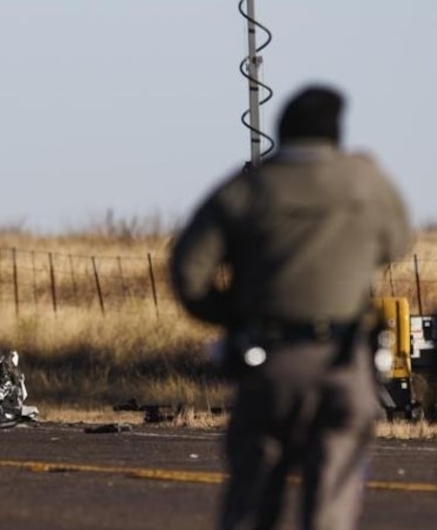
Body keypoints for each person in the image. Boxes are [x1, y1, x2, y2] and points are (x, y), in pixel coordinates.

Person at [169, 85, 411, 529]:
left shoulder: (247, 189)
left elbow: (188, 273)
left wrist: (236, 314)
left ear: (282, 129)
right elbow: (397, 243)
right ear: (337, 133)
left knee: (254, 497)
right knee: (332, 501)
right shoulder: (366, 181)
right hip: (345, 362)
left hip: (270, 359)